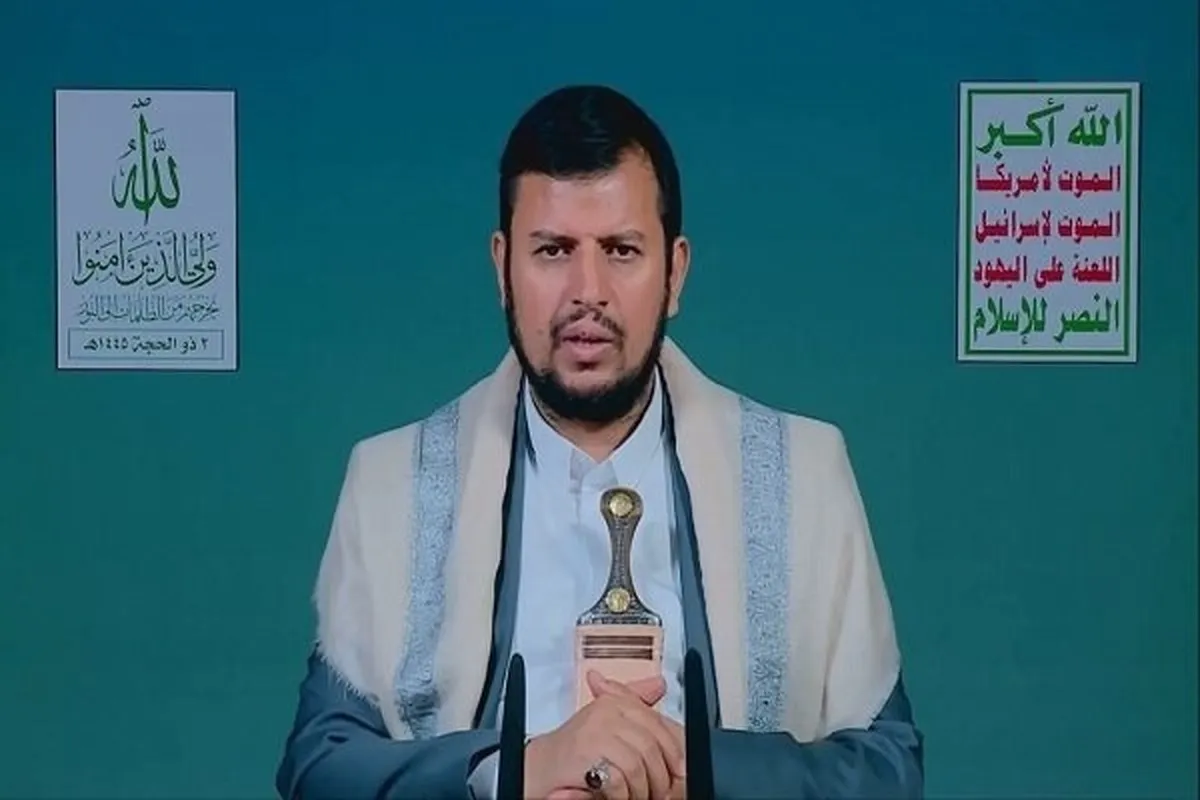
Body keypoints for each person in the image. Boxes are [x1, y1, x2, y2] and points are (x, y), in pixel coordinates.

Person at [275, 84, 924, 800]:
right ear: (502, 268)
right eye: (553, 250)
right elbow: (320, 764)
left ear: (675, 272)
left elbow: (887, 771)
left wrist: (695, 770)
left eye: (621, 250)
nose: (588, 291)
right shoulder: (391, 482)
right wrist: (515, 768)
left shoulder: (803, 474)